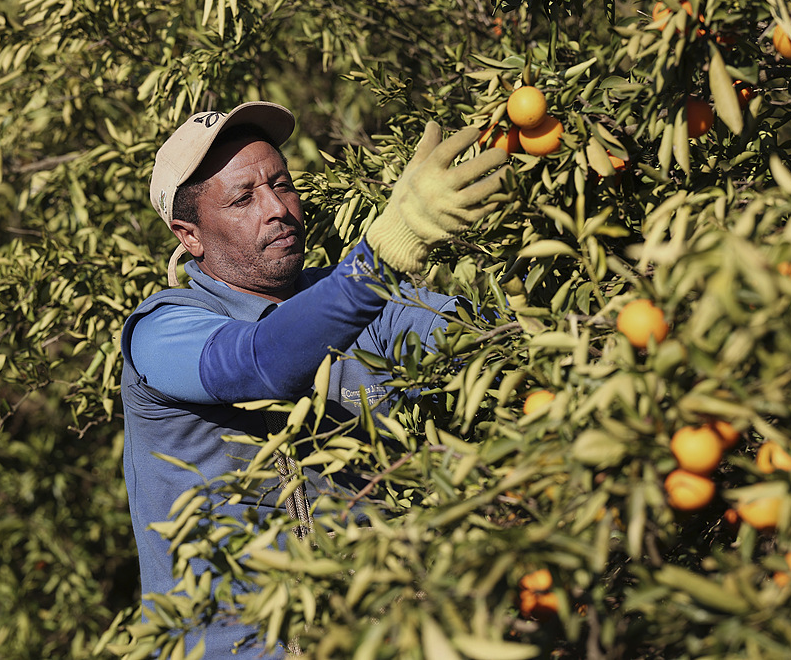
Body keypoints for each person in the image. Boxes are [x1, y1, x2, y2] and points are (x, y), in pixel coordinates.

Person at [120, 101, 508, 656]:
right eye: (243, 198)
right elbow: (258, 364)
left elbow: (489, 341)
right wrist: (378, 260)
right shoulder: (161, 330)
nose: (277, 208)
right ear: (191, 236)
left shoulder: (367, 303)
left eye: (281, 184)